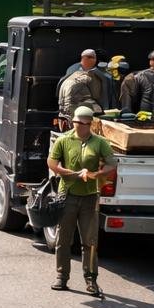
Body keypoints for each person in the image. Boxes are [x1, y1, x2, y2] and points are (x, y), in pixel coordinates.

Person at [47, 106, 116, 297]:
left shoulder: (99, 142)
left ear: (90, 124)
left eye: (84, 124)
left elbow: (112, 163)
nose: (79, 127)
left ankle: (91, 279)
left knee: (90, 240)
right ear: (73, 122)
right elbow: (52, 164)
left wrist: (95, 174)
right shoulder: (64, 140)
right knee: (63, 239)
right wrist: (72, 174)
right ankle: (62, 276)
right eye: (77, 123)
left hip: (90, 197)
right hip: (67, 194)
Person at [57, 49, 106, 126]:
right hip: (74, 107)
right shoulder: (92, 74)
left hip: (62, 108)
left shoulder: (72, 68)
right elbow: (96, 96)